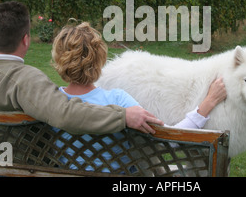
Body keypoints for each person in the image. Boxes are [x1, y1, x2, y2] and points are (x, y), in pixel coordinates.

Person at [0, 1, 162, 135]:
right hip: (19, 166)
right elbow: (65, 113)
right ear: (26, 39)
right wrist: (122, 116)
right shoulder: (25, 79)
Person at [51, 22, 226, 171]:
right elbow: (170, 139)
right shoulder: (119, 100)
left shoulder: (50, 100)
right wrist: (208, 103)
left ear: (59, 60)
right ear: (100, 59)